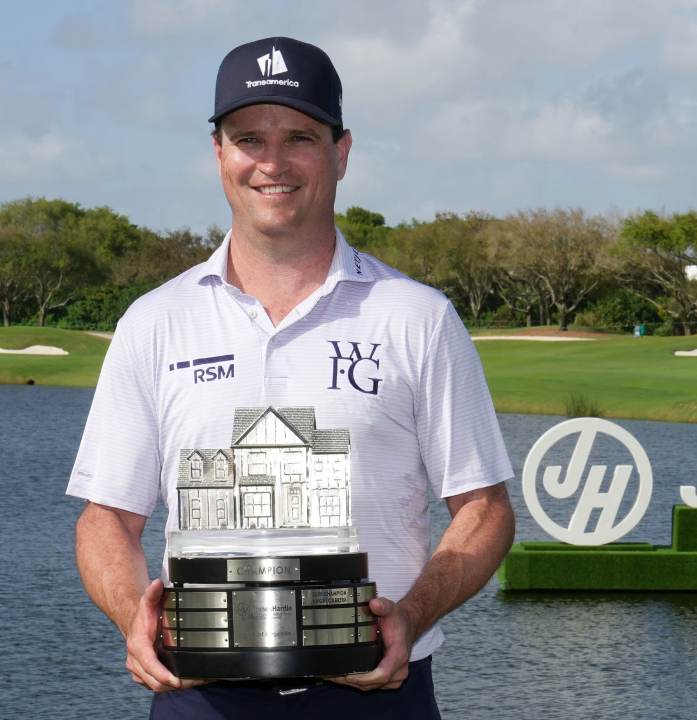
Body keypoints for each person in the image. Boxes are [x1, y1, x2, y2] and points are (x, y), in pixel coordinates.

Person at [67, 36, 515, 719]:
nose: (272, 163)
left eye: (299, 137)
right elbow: (105, 519)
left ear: (340, 151)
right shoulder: (154, 321)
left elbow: (483, 510)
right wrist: (135, 616)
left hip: (375, 693)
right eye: (249, 138)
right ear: (220, 153)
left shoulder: (418, 317)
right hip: (200, 698)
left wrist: (413, 615)